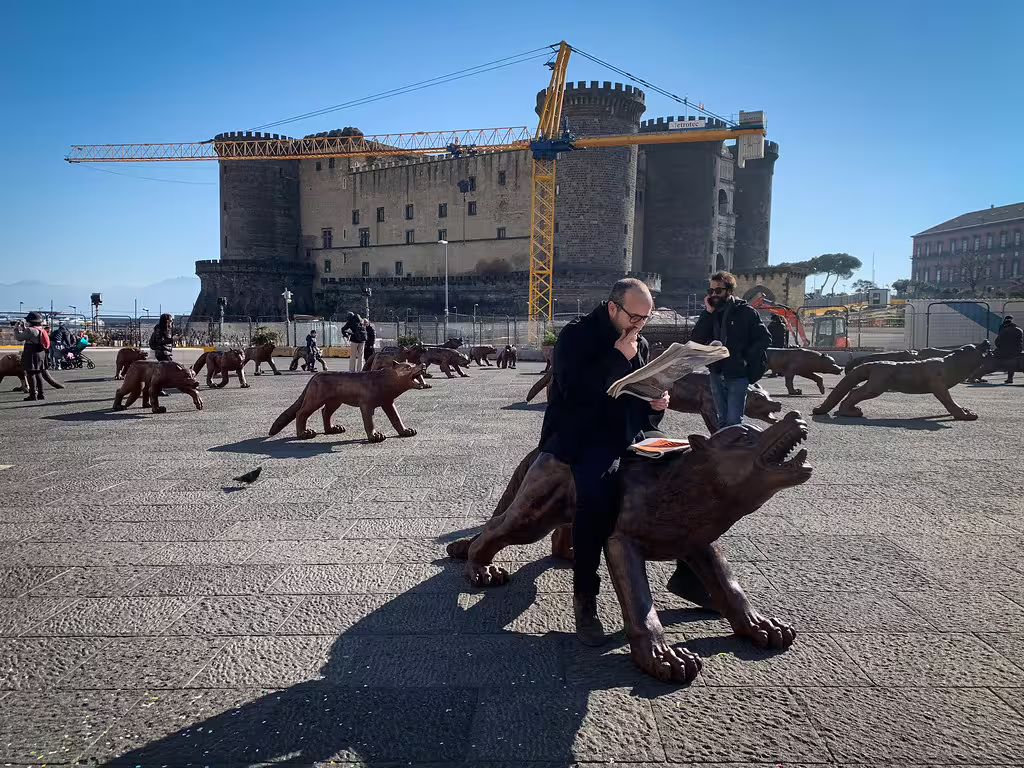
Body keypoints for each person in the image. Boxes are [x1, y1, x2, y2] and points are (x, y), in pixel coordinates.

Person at [539, 277, 669, 646]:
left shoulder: (637, 340)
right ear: (612, 307)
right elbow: (573, 392)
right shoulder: (575, 335)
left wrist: (655, 404)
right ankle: (585, 599)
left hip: (626, 431)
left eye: (646, 318)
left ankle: (690, 577)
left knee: (684, 473)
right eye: (635, 317)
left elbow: (636, 398)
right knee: (597, 493)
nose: (640, 325)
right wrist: (617, 356)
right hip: (581, 433)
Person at [690, 271, 771, 428]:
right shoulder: (710, 313)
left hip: (737, 373)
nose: (714, 294)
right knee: (721, 420)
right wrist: (708, 313)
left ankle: (738, 451)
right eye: (710, 291)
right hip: (715, 372)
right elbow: (696, 339)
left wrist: (745, 359)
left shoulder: (746, 312)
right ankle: (725, 452)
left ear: (729, 291)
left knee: (734, 421)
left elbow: (764, 338)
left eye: (718, 290)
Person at [13, 312, 50, 401]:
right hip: (41, 353)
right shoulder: (41, 329)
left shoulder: (30, 330)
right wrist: (23, 328)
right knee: (38, 373)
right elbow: (31, 335)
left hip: (31, 353)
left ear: (30, 321)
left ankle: (33, 395)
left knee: (30, 374)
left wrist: (15, 329)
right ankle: (41, 394)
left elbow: (19, 337)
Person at [994, 315, 1023, 384]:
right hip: (1017, 350)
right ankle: (1010, 378)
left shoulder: (1003, 329)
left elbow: (998, 341)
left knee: (996, 357)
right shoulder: (1019, 329)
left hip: (1005, 350)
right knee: (1012, 361)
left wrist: (1000, 346)